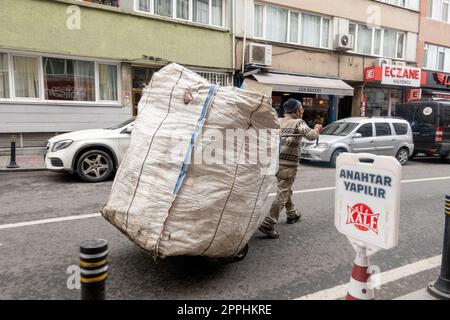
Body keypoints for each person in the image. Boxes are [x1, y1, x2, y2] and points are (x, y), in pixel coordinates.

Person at [259, 98, 323, 239]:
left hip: (275, 163)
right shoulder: (298, 122)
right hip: (288, 165)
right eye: (301, 109)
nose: (303, 111)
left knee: (285, 189)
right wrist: (317, 130)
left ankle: (292, 213)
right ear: (296, 111)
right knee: (283, 192)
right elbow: (311, 136)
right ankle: (269, 223)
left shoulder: (278, 121)